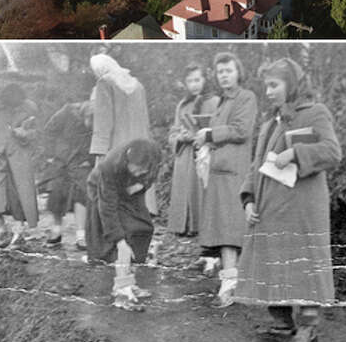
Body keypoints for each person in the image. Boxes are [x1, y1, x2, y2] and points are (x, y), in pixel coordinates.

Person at [235, 58, 343, 342]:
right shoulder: (270, 122)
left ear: (291, 85)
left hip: (302, 209)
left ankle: (307, 330)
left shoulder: (316, 112)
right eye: (266, 86)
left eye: (274, 85)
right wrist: (248, 199)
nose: (268, 91)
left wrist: (295, 153)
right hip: (269, 207)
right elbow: (256, 164)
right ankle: (282, 322)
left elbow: (333, 152)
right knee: (272, 259)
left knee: (304, 263)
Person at [194, 51, 258, 307]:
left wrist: (209, 134)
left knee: (230, 231)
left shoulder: (246, 97)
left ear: (238, 72)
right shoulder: (221, 101)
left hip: (234, 173)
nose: (224, 76)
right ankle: (231, 282)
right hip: (219, 172)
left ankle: (231, 286)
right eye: (220, 72)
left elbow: (242, 131)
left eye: (228, 71)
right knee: (223, 230)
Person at [87, 139, 162, 312]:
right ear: (127, 159)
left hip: (131, 189)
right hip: (103, 191)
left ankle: (130, 281)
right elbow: (108, 208)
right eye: (133, 167)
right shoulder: (110, 166)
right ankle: (121, 289)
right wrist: (119, 241)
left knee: (143, 228)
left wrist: (141, 184)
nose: (136, 171)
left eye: (141, 169)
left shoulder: (154, 155)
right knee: (124, 234)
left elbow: (151, 174)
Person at [88, 54, 154, 217]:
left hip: (116, 147)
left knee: (111, 194)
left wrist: (100, 151)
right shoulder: (137, 85)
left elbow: (103, 121)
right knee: (135, 191)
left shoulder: (105, 83)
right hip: (139, 147)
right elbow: (145, 121)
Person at [0, 84, 39, 248]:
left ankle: (18, 232)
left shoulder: (30, 107)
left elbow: (36, 132)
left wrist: (25, 134)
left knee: (20, 195)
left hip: (19, 157)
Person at [167, 63, 219, 240]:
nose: (194, 84)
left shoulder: (215, 102)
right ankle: (183, 225)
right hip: (185, 155)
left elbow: (220, 129)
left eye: (197, 80)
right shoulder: (182, 105)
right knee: (185, 187)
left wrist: (203, 135)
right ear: (185, 83)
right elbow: (174, 131)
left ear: (204, 80)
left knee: (201, 188)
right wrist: (179, 137)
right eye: (190, 81)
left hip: (205, 152)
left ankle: (201, 225)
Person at [41, 101, 93, 250]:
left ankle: (81, 236)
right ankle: (56, 231)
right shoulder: (66, 112)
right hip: (61, 160)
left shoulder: (98, 118)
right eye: (89, 121)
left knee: (82, 194)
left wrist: (90, 160)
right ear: (83, 115)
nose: (90, 125)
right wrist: (50, 154)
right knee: (57, 193)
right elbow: (48, 130)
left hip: (81, 162)